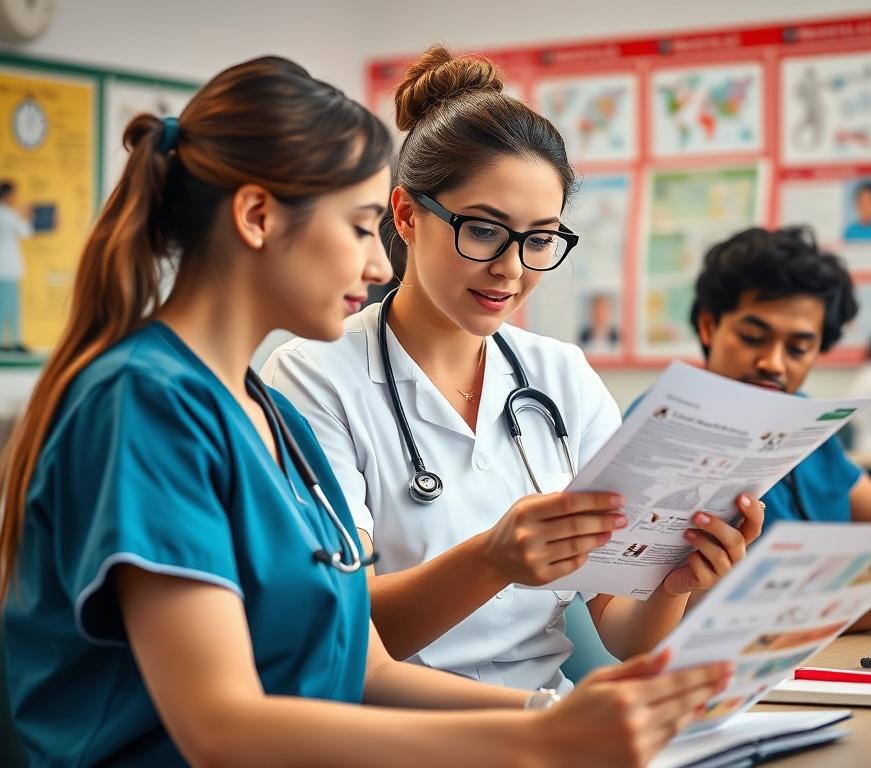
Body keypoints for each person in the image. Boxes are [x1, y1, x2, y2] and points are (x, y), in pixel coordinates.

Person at [0, 57, 731, 767]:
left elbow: (361, 666)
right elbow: (220, 729)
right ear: (257, 216)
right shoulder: (151, 405)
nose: (379, 265)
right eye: (359, 226)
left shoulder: (259, 414)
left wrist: (559, 716)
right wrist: (536, 740)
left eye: (539, 240)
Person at [262, 46, 763, 695]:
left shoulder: (562, 378)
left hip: (552, 719)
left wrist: (677, 582)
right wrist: (493, 560)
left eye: (539, 239)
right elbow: (343, 632)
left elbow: (620, 627)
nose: (512, 268)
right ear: (407, 215)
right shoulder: (313, 376)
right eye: (484, 230)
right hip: (400, 733)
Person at [683, 226, 871, 630]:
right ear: (708, 327)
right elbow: (677, 610)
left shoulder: (806, 420)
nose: (774, 362)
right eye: (753, 336)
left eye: (798, 348)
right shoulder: (673, 427)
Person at [0, 181, 33, 352]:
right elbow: (26, 232)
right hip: (8, 270)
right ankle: (14, 342)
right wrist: (26, 216)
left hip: (3, 269)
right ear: (7, 196)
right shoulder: (9, 215)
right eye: (14, 194)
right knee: (11, 308)